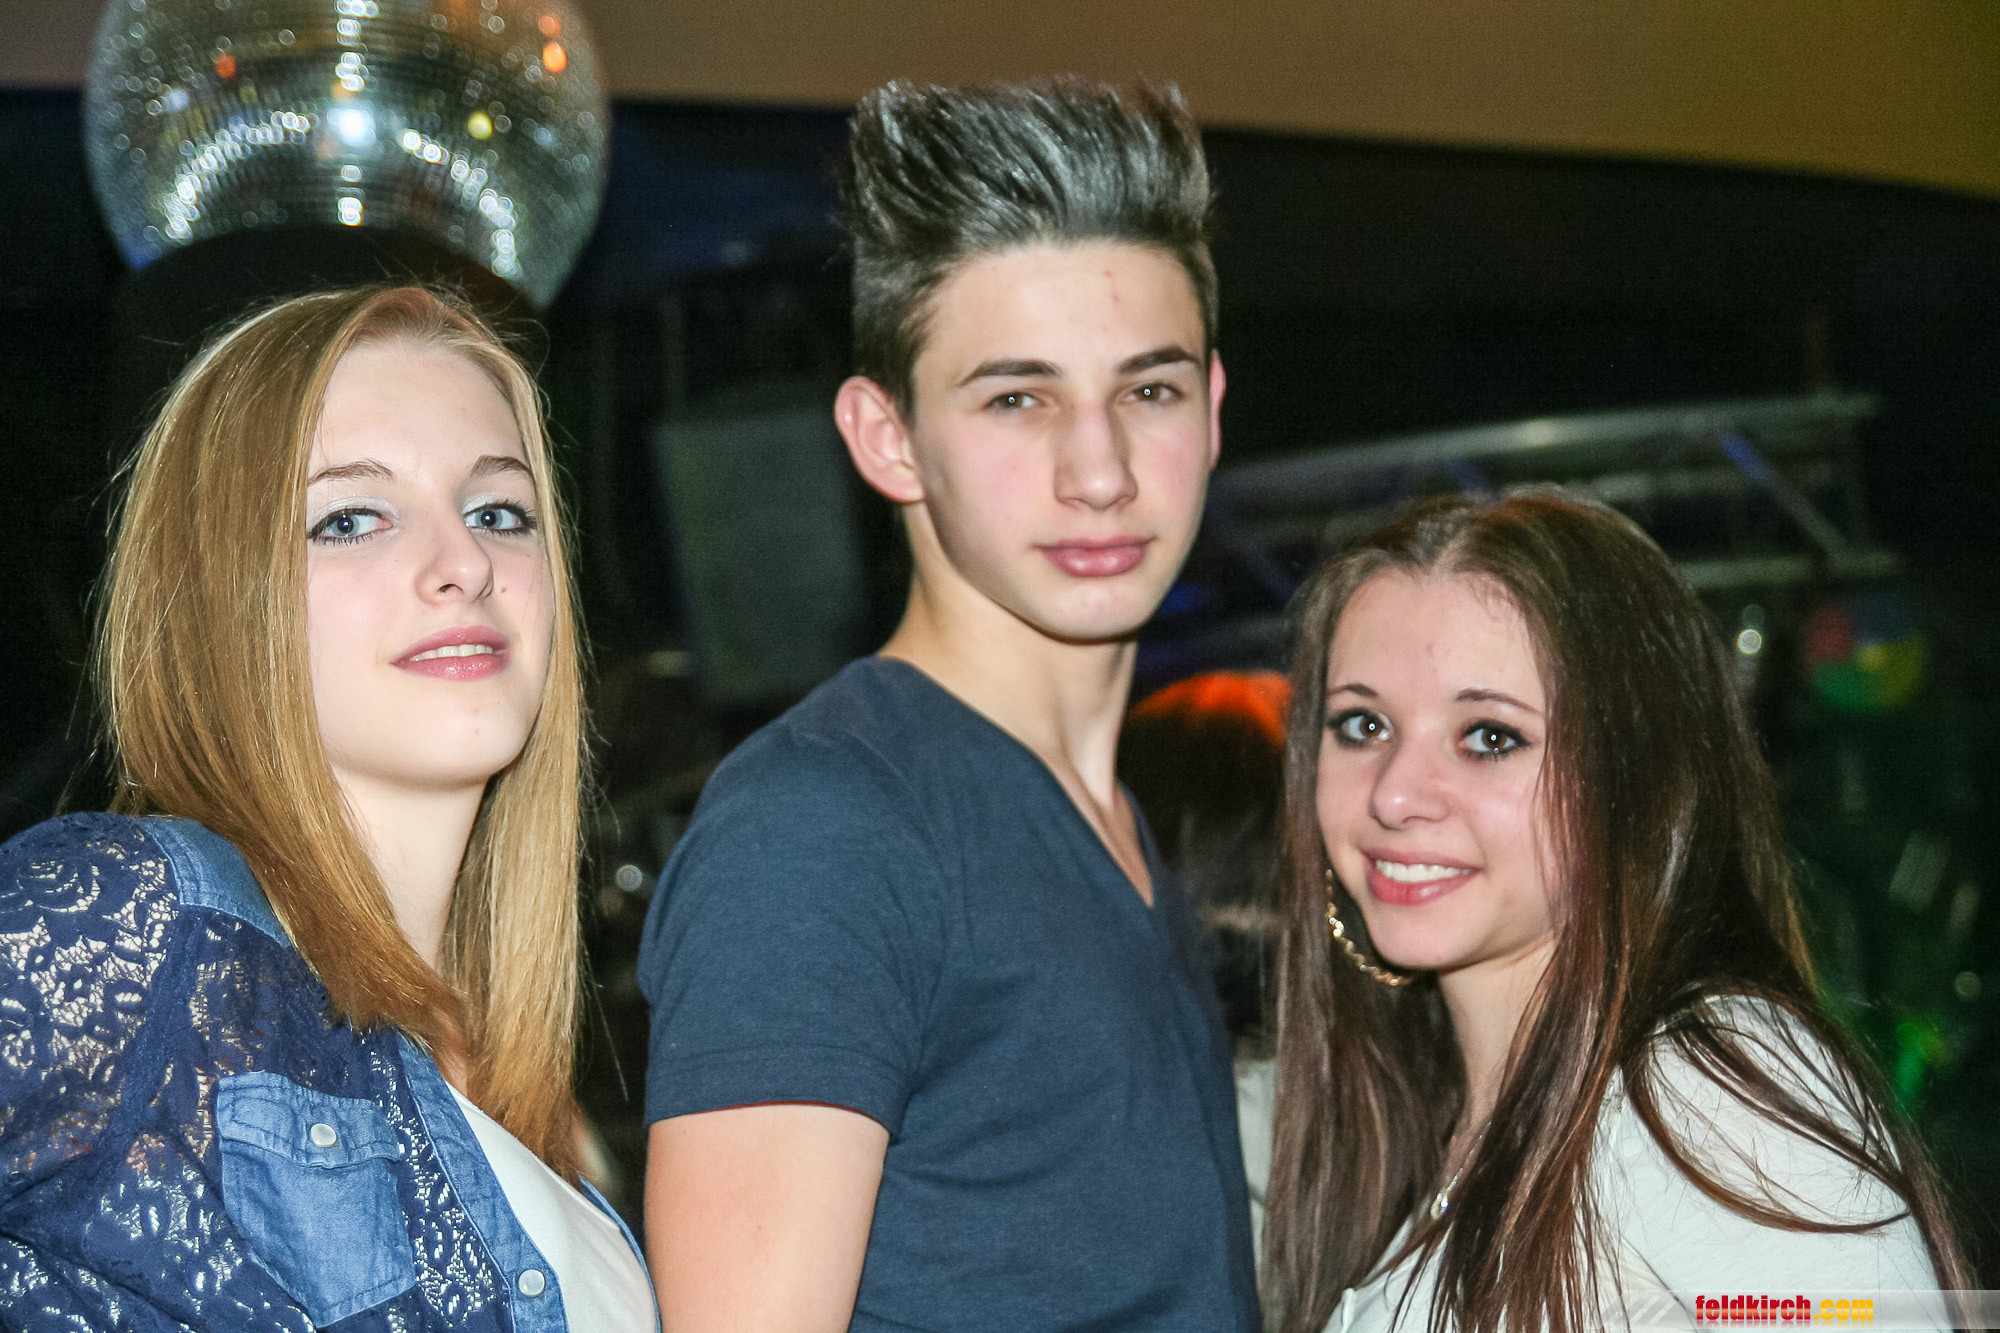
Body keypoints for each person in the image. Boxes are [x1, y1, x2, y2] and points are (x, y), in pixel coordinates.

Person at [638, 80, 1260, 1331]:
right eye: (1015, 399)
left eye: (1145, 391)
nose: (1099, 471)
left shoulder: (1113, 823)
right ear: (887, 438)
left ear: (1208, 408)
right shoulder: (824, 826)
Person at [0, 286, 656, 1331]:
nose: (465, 564)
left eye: (498, 512)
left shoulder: (549, 1121)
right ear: (224, 597)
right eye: (350, 519)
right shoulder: (142, 923)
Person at [1262, 487, 1967, 1333]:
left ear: (1635, 780)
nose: (1395, 793)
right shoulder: (1424, 1127)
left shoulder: (1701, 1086)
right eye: (1362, 725)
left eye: (1489, 735)